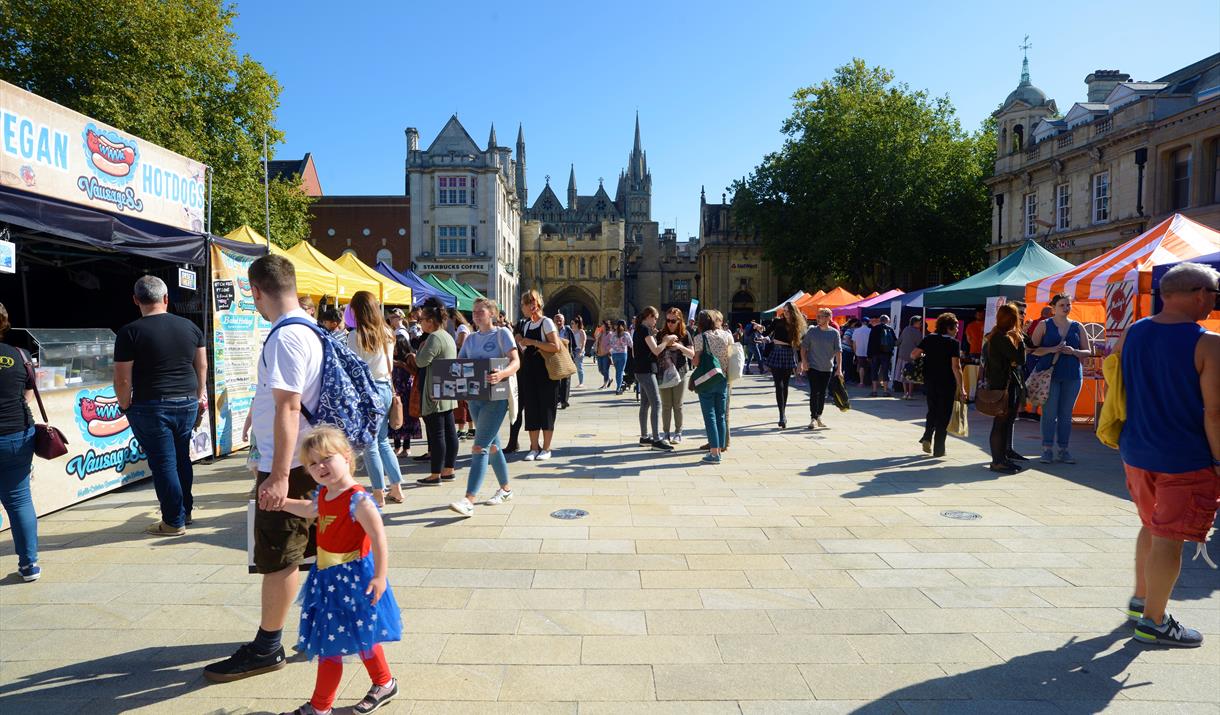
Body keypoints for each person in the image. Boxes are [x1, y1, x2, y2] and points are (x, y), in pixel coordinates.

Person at [206, 254, 323, 683]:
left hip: (289, 463)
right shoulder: (309, 329)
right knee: (304, 553)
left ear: (256, 291)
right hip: (306, 457)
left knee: (279, 557)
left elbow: (290, 407)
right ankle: (310, 631)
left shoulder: (286, 337)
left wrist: (276, 475)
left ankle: (267, 645)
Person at [1117, 262, 1219, 648]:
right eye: (1215, 294)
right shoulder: (1207, 342)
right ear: (1199, 294)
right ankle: (1154, 622)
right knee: (1169, 538)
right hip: (1185, 456)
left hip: (1138, 450)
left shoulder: (1134, 332)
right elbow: (1214, 412)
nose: (1213, 302)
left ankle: (1142, 599)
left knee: (1152, 525)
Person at [278, 427, 402, 715]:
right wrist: (282, 503)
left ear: (347, 457)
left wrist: (380, 576)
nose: (320, 467)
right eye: (312, 463)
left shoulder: (358, 499)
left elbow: (380, 539)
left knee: (330, 643)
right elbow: (311, 510)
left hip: (356, 579)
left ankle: (320, 708)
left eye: (327, 458)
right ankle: (384, 682)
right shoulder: (325, 494)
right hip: (328, 578)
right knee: (360, 636)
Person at [111, 276, 207, 537]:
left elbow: (121, 378)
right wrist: (198, 395)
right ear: (166, 298)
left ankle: (174, 521)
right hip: (186, 401)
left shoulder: (129, 332)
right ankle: (184, 511)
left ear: (135, 300)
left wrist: (124, 404)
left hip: (150, 405)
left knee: (164, 464)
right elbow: (201, 366)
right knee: (181, 459)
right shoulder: (190, 327)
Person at [448, 297, 522, 517]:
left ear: (492, 313)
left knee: (479, 446)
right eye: (474, 311)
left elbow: (515, 361)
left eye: (481, 311)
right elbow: (460, 365)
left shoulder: (501, 334)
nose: (476, 314)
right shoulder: (470, 339)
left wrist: (502, 373)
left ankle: (469, 499)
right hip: (474, 398)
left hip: (496, 398)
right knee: (491, 445)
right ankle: (506, 489)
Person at [345, 291, 405, 507]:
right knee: (383, 442)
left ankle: (378, 494)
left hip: (367, 392)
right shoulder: (388, 333)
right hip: (386, 389)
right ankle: (396, 488)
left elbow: (352, 369)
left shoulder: (355, 336)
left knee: (370, 445)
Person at [0, 303, 39, 582]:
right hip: (17, 435)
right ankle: (29, 566)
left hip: (15, 434)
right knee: (19, 500)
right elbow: (28, 392)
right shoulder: (20, 354)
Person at [1029, 293, 1090, 464]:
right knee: (1049, 413)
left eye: (1068, 305)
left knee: (1066, 414)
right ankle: (1047, 449)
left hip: (1072, 375)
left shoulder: (1078, 326)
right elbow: (1032, 349)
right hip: (1049, 374)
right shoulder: (1044, 324)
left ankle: (1064, 450)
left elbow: (1088, 351)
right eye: (1062, 305)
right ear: (1053, 307)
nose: (1066, 308)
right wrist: (1052, 349)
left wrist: (1074, 352)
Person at [413, 298, 458, 484]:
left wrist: (419, 351)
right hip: (447, 388)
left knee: (437, 434)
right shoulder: (447, 336)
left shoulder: (434, 338)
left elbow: (420, 362)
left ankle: (435, 474)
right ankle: (448, 470)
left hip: (434, 391)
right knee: (449, 431)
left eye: (422, 319)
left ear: (431, 321)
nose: (420, 322)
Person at [910, 313, 966, 458]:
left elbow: (913, 354)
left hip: (930, 381)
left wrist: (926, 356)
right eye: (956, 327)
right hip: (947, 383)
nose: (957, 330)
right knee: (944, 415)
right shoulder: (953, 343)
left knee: (932, 410)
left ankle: (927, 437)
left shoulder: (929, 338)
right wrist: (962, 387)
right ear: (949, 327)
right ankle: (939, 449)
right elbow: (956, 366)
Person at [517, 290, 563, 460]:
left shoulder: (547, 322)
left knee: (547, 409)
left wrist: (532, 342)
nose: (523, 307)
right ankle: (534, 447)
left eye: (525, 304)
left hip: (546, 373)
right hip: (529, 372)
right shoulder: (527, 324)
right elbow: (526, 348)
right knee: (531, 409)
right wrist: (522, 344)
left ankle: (546, 448)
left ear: (533, 305)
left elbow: (555, 346)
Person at [983, 303, 1026, 474]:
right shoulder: (1000, 337)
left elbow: (1014, 360)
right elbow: (1019, 359)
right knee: (1000, 423)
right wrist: (1020, 339)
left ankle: (1002, 459)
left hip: (1004, 384)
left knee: (1005, 423)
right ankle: (997, 462)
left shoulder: (998, 336)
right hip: (1003, 386)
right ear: (1012, 319)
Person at [632, 306, 677, 451]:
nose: (656, 321)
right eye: (655, 318)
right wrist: (666, 340)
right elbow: (657, 351)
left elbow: (636, 351)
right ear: (649, 316)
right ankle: (656, 439)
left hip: (640, 369)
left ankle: (645, 437)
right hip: (646, 371)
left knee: (645, 404)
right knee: (656, 403)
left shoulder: (639, 329)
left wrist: (656, 338)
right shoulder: (645, 330)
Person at [692, 310, 733, 464]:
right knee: (720, 415)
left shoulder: (700, 338)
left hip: (707, 380)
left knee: (709, 416)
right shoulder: (726, 335)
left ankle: (714, 453)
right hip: (723, 379)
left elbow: (696, 362)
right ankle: (721, 447)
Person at [763, 302, 806, 429]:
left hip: (788, 353)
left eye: (788, 311)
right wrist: (760, 328)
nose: (785, 313)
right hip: (776, 352)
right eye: (784, 311)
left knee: (785, 385)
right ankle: (781, 415)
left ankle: (783, 413)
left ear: (793, 312)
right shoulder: (777, 321)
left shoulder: (797, 324)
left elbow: (799, 345)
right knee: (778, 385)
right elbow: (767, 333)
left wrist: (800, 363)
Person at [799, 307, 842, 430]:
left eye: (820, 316)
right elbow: (803, 347)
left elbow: (839, 351)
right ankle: (813, 418)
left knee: (823, 393)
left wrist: (839, 369)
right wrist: (804, 361)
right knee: (814, 392)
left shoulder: (834, 333)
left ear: (828, 318)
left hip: (827, 367)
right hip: (813, 367)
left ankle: (819, 416)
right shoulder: (812, 332)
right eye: (817, 316)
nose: (817, 318)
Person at [657, 307, 696, 444]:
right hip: (664, 373)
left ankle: (678, 432)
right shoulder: (661, 334)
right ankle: (666, 433)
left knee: (677, 405)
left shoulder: (685, 335)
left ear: (679, 321)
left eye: (673, 321)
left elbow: (692, 354)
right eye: (668, 320)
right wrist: (665, 342)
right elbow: (655, 352)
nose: (670, 323)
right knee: (666, 405)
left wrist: (680, 347)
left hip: (680, 372)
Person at [389, 335, 416, 457]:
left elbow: (414, 372)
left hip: (406, 392)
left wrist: (401, 365)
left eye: (396, 347)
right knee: (395, 418)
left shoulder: (408, 357)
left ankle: (406, 447)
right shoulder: (390, 358)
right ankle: (397, 446)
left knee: (407, 420)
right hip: (395, 392)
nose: (394, 350)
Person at [451, 310, 473, 439]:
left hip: (461, 365)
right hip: (463, 365)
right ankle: (470, 427)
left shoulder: (461, 327)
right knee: (465, 398)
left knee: (462, 399)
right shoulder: (463, 327)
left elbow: (461, 343)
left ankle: (462, 428)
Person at [866, 314, 897, 397]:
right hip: (886, 354)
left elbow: (870, 343)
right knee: (885, 371)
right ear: (887, 321)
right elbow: (895, 342)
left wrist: (869, 355)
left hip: (875, 354)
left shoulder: (874, 329)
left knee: (874, 371)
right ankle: (885, 391)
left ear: (880, 320)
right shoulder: (890, 329)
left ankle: (874, 391)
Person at [895, 315, 923, 400]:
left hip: (902, 355)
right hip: (912, 356)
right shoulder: (918, 332)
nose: (921, 324)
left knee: (903, 375)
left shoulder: (906, 329)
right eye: (920, 322)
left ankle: (905, 393)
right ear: (915, 322)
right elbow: (920, 344)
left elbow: (899, 341)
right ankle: (910, 394)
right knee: (911, 376)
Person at [554, 313, 575, 409]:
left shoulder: (568, 330)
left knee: (566, 380)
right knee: (556, 379)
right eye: (557, 320)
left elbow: (573, 343)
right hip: (555, 358)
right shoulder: (551, 331)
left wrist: (573, 355)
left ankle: (564, 400)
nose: (558, 322)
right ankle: (557, 398)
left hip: (566, 356)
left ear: (564, 321)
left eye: (560, 320)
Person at [608, 320, 631, 394]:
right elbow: (631, 344)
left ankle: (620, 384)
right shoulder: (626, 334)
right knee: (620, 371)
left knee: (618, 371)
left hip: (614, 354)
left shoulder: (613, 334)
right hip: (623, 354)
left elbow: (610, 343)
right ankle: (619, 387)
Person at [852, 318, 872, 387]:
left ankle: (861, 382)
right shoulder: (870, 331)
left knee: (861, 367)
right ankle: (870, 381)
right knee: (870, 367)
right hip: (869, 352)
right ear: (868, 322)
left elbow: (854, 343)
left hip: (859, 352)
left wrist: (855, 352)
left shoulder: (856, 331)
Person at [595, 320, 613, 388]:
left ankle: (605, 384)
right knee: (600, 370)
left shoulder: (610, 334)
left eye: (603, 325)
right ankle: (609, 379)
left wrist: (607, 349)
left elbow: (612, 343)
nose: (601, 326)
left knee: (605, 369)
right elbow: (596, 339)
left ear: (606, 326)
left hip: (606, 354)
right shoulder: (600, 333)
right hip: (599, 353)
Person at [570, 315, 587, 389]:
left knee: (579, 367)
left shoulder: (581, 331)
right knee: (569, 367)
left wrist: (581, 351)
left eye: (572, 323)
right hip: (572, 350)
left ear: (577, 324)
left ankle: (581, 383)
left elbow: (583, 342)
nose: (571, 325)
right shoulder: (571, 331)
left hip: (578, 350)